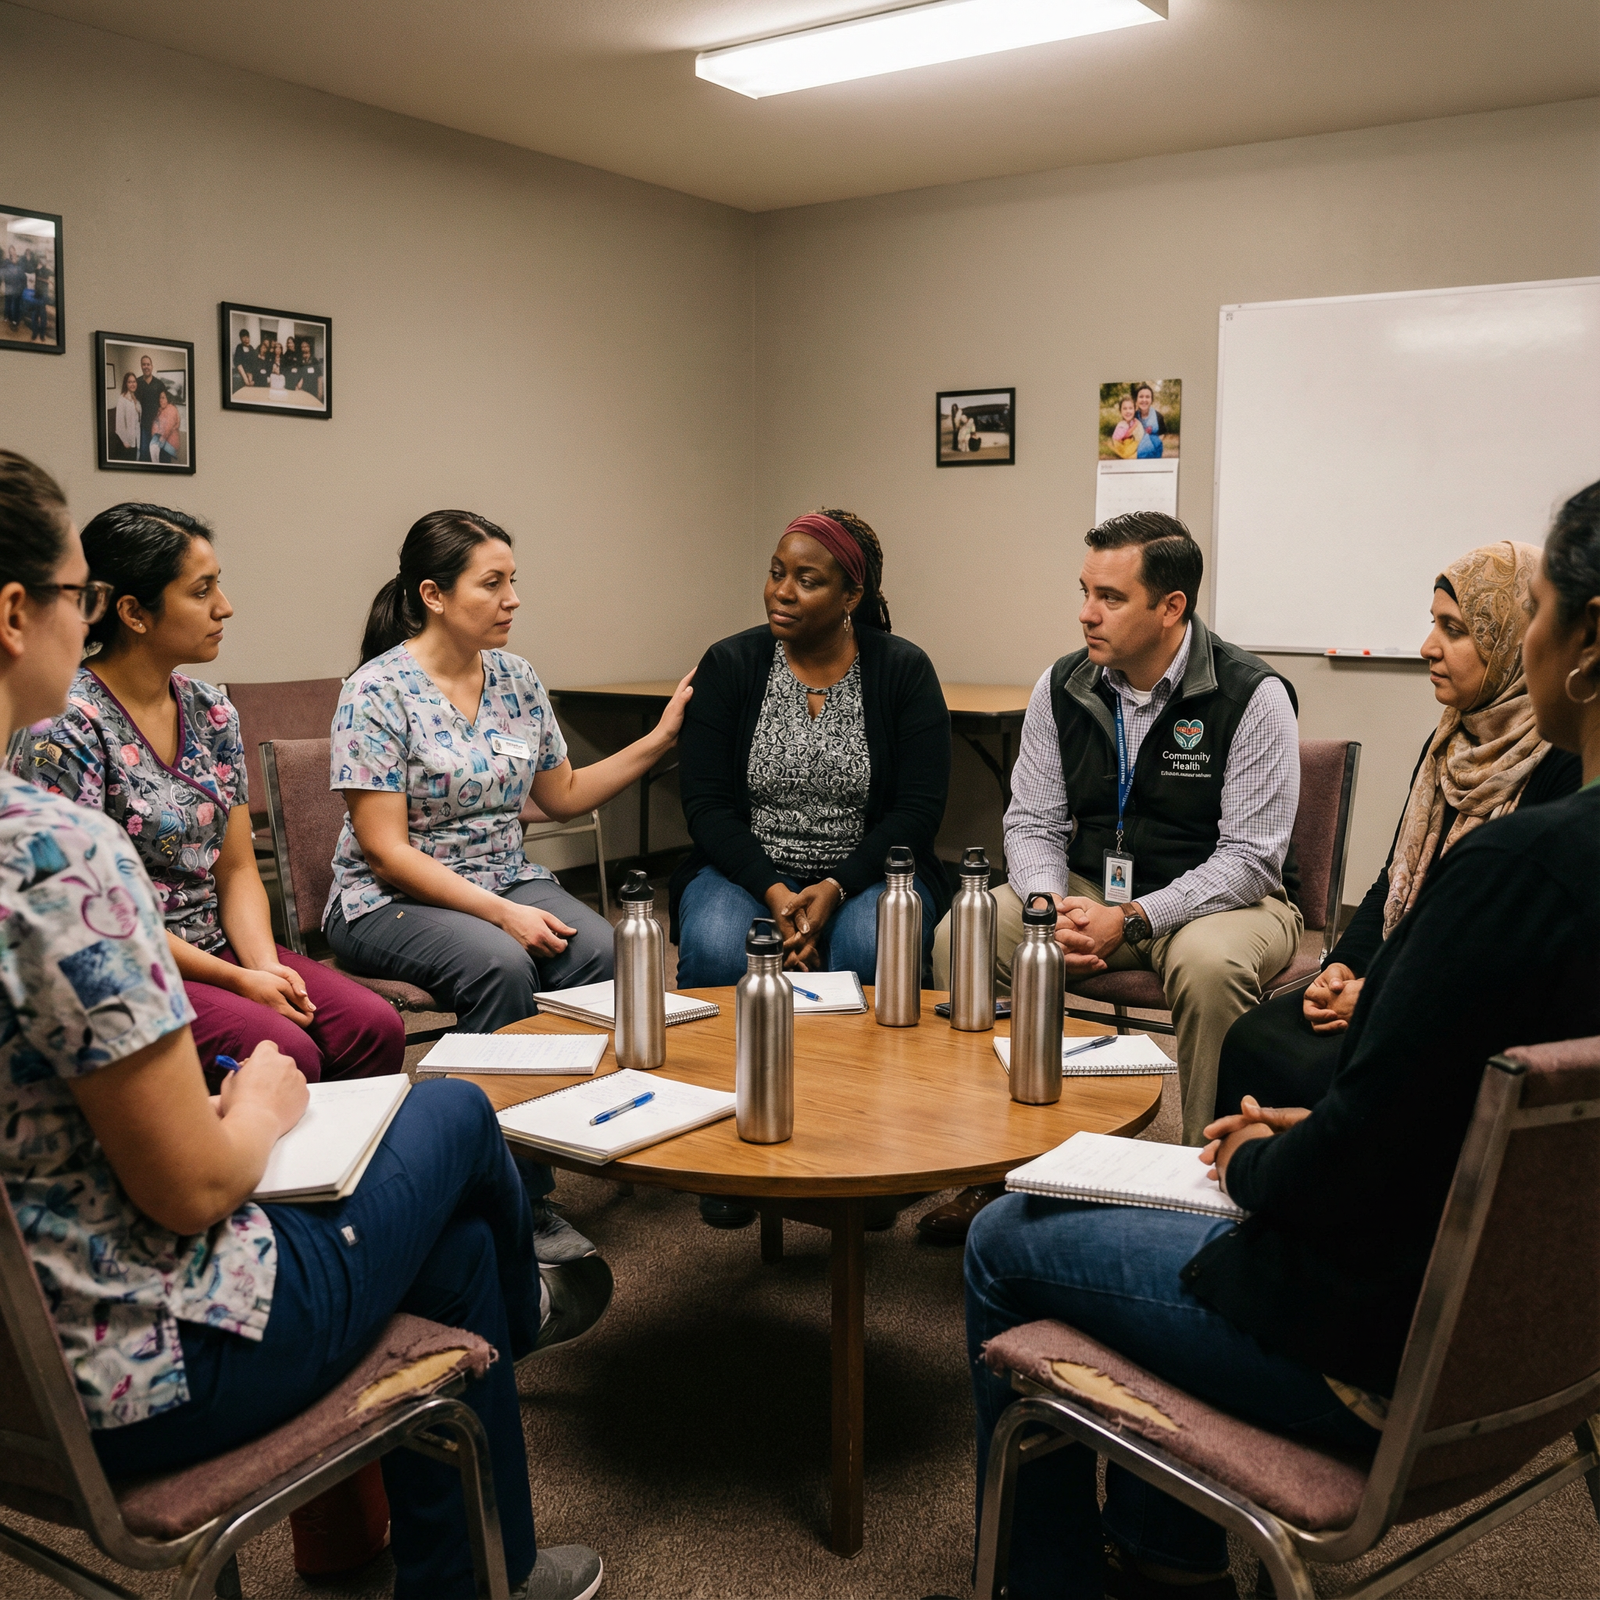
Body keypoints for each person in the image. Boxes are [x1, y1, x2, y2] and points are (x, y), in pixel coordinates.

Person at [948, 479, 1600, 1600]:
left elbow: (1345, 1170)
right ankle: (1166, 1550)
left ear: (1582, 645)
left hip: (1372, 1349)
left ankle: (1054, 1580)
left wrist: (1257, 1156)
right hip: (1540, 1346)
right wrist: (1325, 1123)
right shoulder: (1543, 866)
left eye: (1528, 606)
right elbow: (1435, 1111)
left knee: (1010, 1238)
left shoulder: (1512, 872)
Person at [0, 449, 611, 1600]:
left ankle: (371, 1551)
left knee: (438, 1206)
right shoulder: (46, 850)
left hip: (25, 1356)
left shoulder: (177, 736)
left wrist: (259, 966)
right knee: (457, 1123)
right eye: (77, 595)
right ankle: (488, 1520)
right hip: (144, 1362)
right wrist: (263, 1104)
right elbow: (191, 1190)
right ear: (15, 613)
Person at [923, 512, 1300, 1244]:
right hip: (1087, 891)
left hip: (1220, 901)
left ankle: (1205, 1192)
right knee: (965, 930)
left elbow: (1252, 858)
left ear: (1171, 608)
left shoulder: (1254, 695)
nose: (1086, 613)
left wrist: (1133, 919)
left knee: (1209, 966)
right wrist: (1043, 907)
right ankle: (989, 1173)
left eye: (1111, 597)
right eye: (1084, 591)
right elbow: (1032, 821)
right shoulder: (1062, 684)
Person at [327, 509, 692, 1257]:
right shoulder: (376, 690)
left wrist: (659, 739)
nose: (512, 598)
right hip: (387, 901)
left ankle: (579, 1130)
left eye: (513, 581)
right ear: (432, 594)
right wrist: (501, 915)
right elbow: (387, 852)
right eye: (492, 583)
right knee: (502, 964)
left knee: (605, 950)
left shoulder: (518, 679)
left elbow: (560, 795)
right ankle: (514, 1196)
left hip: (504, 877)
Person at [9, 502, 406, 1088]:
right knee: (289, 1050)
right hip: (129, 961)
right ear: (133, 613)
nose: (225, 607)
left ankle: (344, 1175)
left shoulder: (210, 709)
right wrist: (239, 983)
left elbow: (238, 867)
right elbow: (90, 915)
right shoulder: (68, 724)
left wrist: (265, 966)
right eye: (202, 591)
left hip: (219, 941)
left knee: (374, 1028)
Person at [1215, 540, 1581, 1119]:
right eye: (1432, 624)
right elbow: (1392, 884)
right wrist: (1344, 968)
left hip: (1466, 1009)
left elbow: (1509, 954)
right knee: (1251, 1040)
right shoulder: (1447, 744)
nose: (1427, 648)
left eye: (1454, 629)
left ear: (1508, 641)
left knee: (1322, 1071)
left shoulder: (1562, 760)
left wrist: (1382, 996)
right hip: (1400, 974)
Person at [672, 508, 950, 1228]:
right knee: (712, 944)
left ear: (851, 597)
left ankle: (860, 1146)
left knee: (867, 948)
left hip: (868, 874)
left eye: (806, 579)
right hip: (746, 872)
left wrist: (833, 888)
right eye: (775, 572)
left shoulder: (902, 670)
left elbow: (917, 814)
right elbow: (705, 807)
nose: (782, 592)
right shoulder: (731, 665)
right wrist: (775, 891)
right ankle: (722, 1148)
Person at [134, 354, 165, 461]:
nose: (146, 366)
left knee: (156, 452)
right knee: (144, 451)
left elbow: (165, 403)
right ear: (141, 366)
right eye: (144, 364)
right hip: (142, 425)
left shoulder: (159, 384)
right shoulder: (137, 383)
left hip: (157, 425)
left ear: (152, 366)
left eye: (148, 364)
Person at [149, 387, 182, 464]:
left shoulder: (171, 409)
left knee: (164, 465)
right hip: (162, 443)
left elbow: (168, 427)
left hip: (166, 443)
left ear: (168, 399)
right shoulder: (162, 409)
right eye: (160, 398)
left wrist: (161, 439)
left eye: (163, 398)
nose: (161, 400)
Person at [113, 372, 141, 459]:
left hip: (136, 437)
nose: (133, 384)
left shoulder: (135, 398)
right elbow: (119, 422)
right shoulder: (122, 399)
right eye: (129, 382)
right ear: (126, 384)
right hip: (127, 441)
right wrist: (125, 441)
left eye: (134, 381)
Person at [1108, 392, 1144, 459]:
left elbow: (1138, 435)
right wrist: (1134, 427)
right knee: (1127, 450)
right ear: (1120, 411)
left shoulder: (1135, 422)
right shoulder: (1122, 424)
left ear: (1134, 410)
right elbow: (1125, 436)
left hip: (1132, 442)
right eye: (1125, 409)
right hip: (1120, 444)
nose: (1128, 411)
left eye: (1130, 408)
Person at [1133, 382, 1164, 459]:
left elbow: (1162, 434)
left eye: (1147, 397)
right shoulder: (1133, 417)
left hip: (1154, 455)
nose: (1144, 400)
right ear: (1136, 400)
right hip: (1136, 456)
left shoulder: (1158, 416)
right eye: (1141, 396)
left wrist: (1153, 446)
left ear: (1151, 400)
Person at [0, 247, 23, 330]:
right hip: (9, 286)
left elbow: (22, 273)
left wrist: (15, 264)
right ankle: (8, 317)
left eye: (13, 251)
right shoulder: (7, 261)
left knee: (15, 305)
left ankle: (15, 321)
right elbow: (2, 268)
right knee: (8, 302)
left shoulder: (20, 261)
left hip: (17, 287)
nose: (12, 253)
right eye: (10, 251)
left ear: (15, 251)